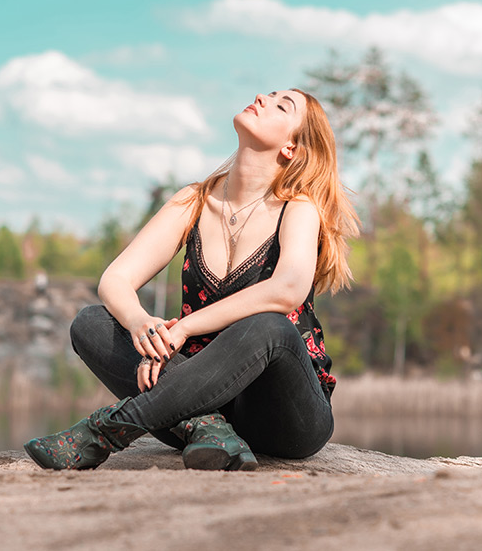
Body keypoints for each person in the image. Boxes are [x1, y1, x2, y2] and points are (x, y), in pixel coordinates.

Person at [24, 89, 359, 471]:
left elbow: (287, 290)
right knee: (91, 322)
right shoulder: (194, 201)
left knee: (270, 327)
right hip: (195, 400)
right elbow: (115, 279)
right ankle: (209, 429)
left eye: (282, 105)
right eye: (268, 94)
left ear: (291, 148)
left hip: (284, 415)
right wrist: (142, 325)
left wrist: (183, 328)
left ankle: (105, 431)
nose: (261, 98)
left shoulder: (298, 208)